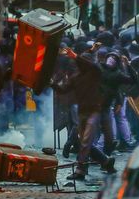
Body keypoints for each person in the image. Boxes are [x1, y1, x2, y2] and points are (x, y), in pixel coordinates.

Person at [53, 45, 116, 180]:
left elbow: (92, 66)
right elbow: (63, 90)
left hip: (94, 111)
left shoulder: (95, 73)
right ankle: (106, 161)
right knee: (84, 142)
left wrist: (76, 56)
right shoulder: (76, 77)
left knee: (86, 141)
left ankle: (80, 170)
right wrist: (52, 83)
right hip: (83, 112)